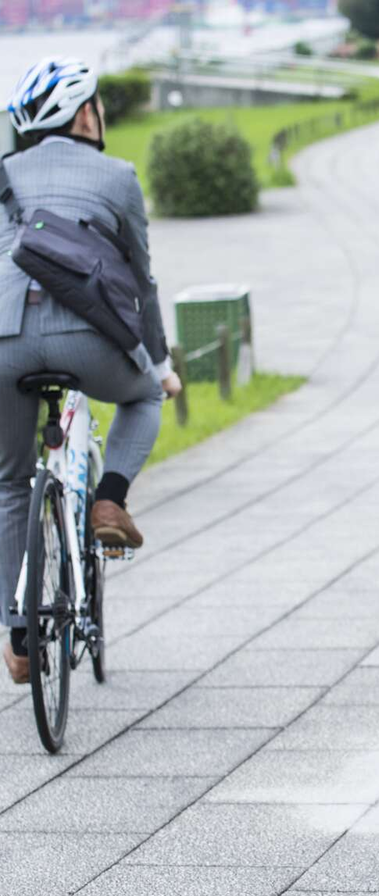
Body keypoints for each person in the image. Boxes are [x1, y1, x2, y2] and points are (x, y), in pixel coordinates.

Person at [1, 57, 180, 684]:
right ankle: (109, 502)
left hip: (5, 345)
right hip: (89, 339)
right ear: (85, 113)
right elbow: (143, 280)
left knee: (6, 483)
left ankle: (19, 635)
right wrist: (160, 365)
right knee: (146, 399)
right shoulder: (118, 175)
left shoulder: (3, 174)